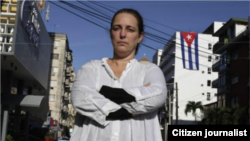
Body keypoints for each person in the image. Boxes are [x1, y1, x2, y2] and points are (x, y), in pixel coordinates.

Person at [70, 8, 167, 141]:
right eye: (117, 28)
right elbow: (79, 97)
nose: (122, 34)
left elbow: (158, 95)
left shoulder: (150, 70)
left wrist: (104, 92)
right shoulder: (92, 68)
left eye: (130, 29)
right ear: (111, 33)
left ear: (140, 37)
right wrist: (133, 107)